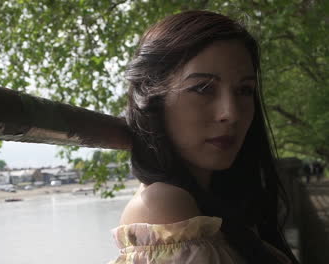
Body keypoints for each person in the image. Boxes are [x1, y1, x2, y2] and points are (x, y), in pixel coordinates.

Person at [107, 10, 299, 264]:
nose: (230, 113)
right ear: (154, 97)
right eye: (203, 88)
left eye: (244, 90)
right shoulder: (162, 207)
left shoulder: (223, 202)